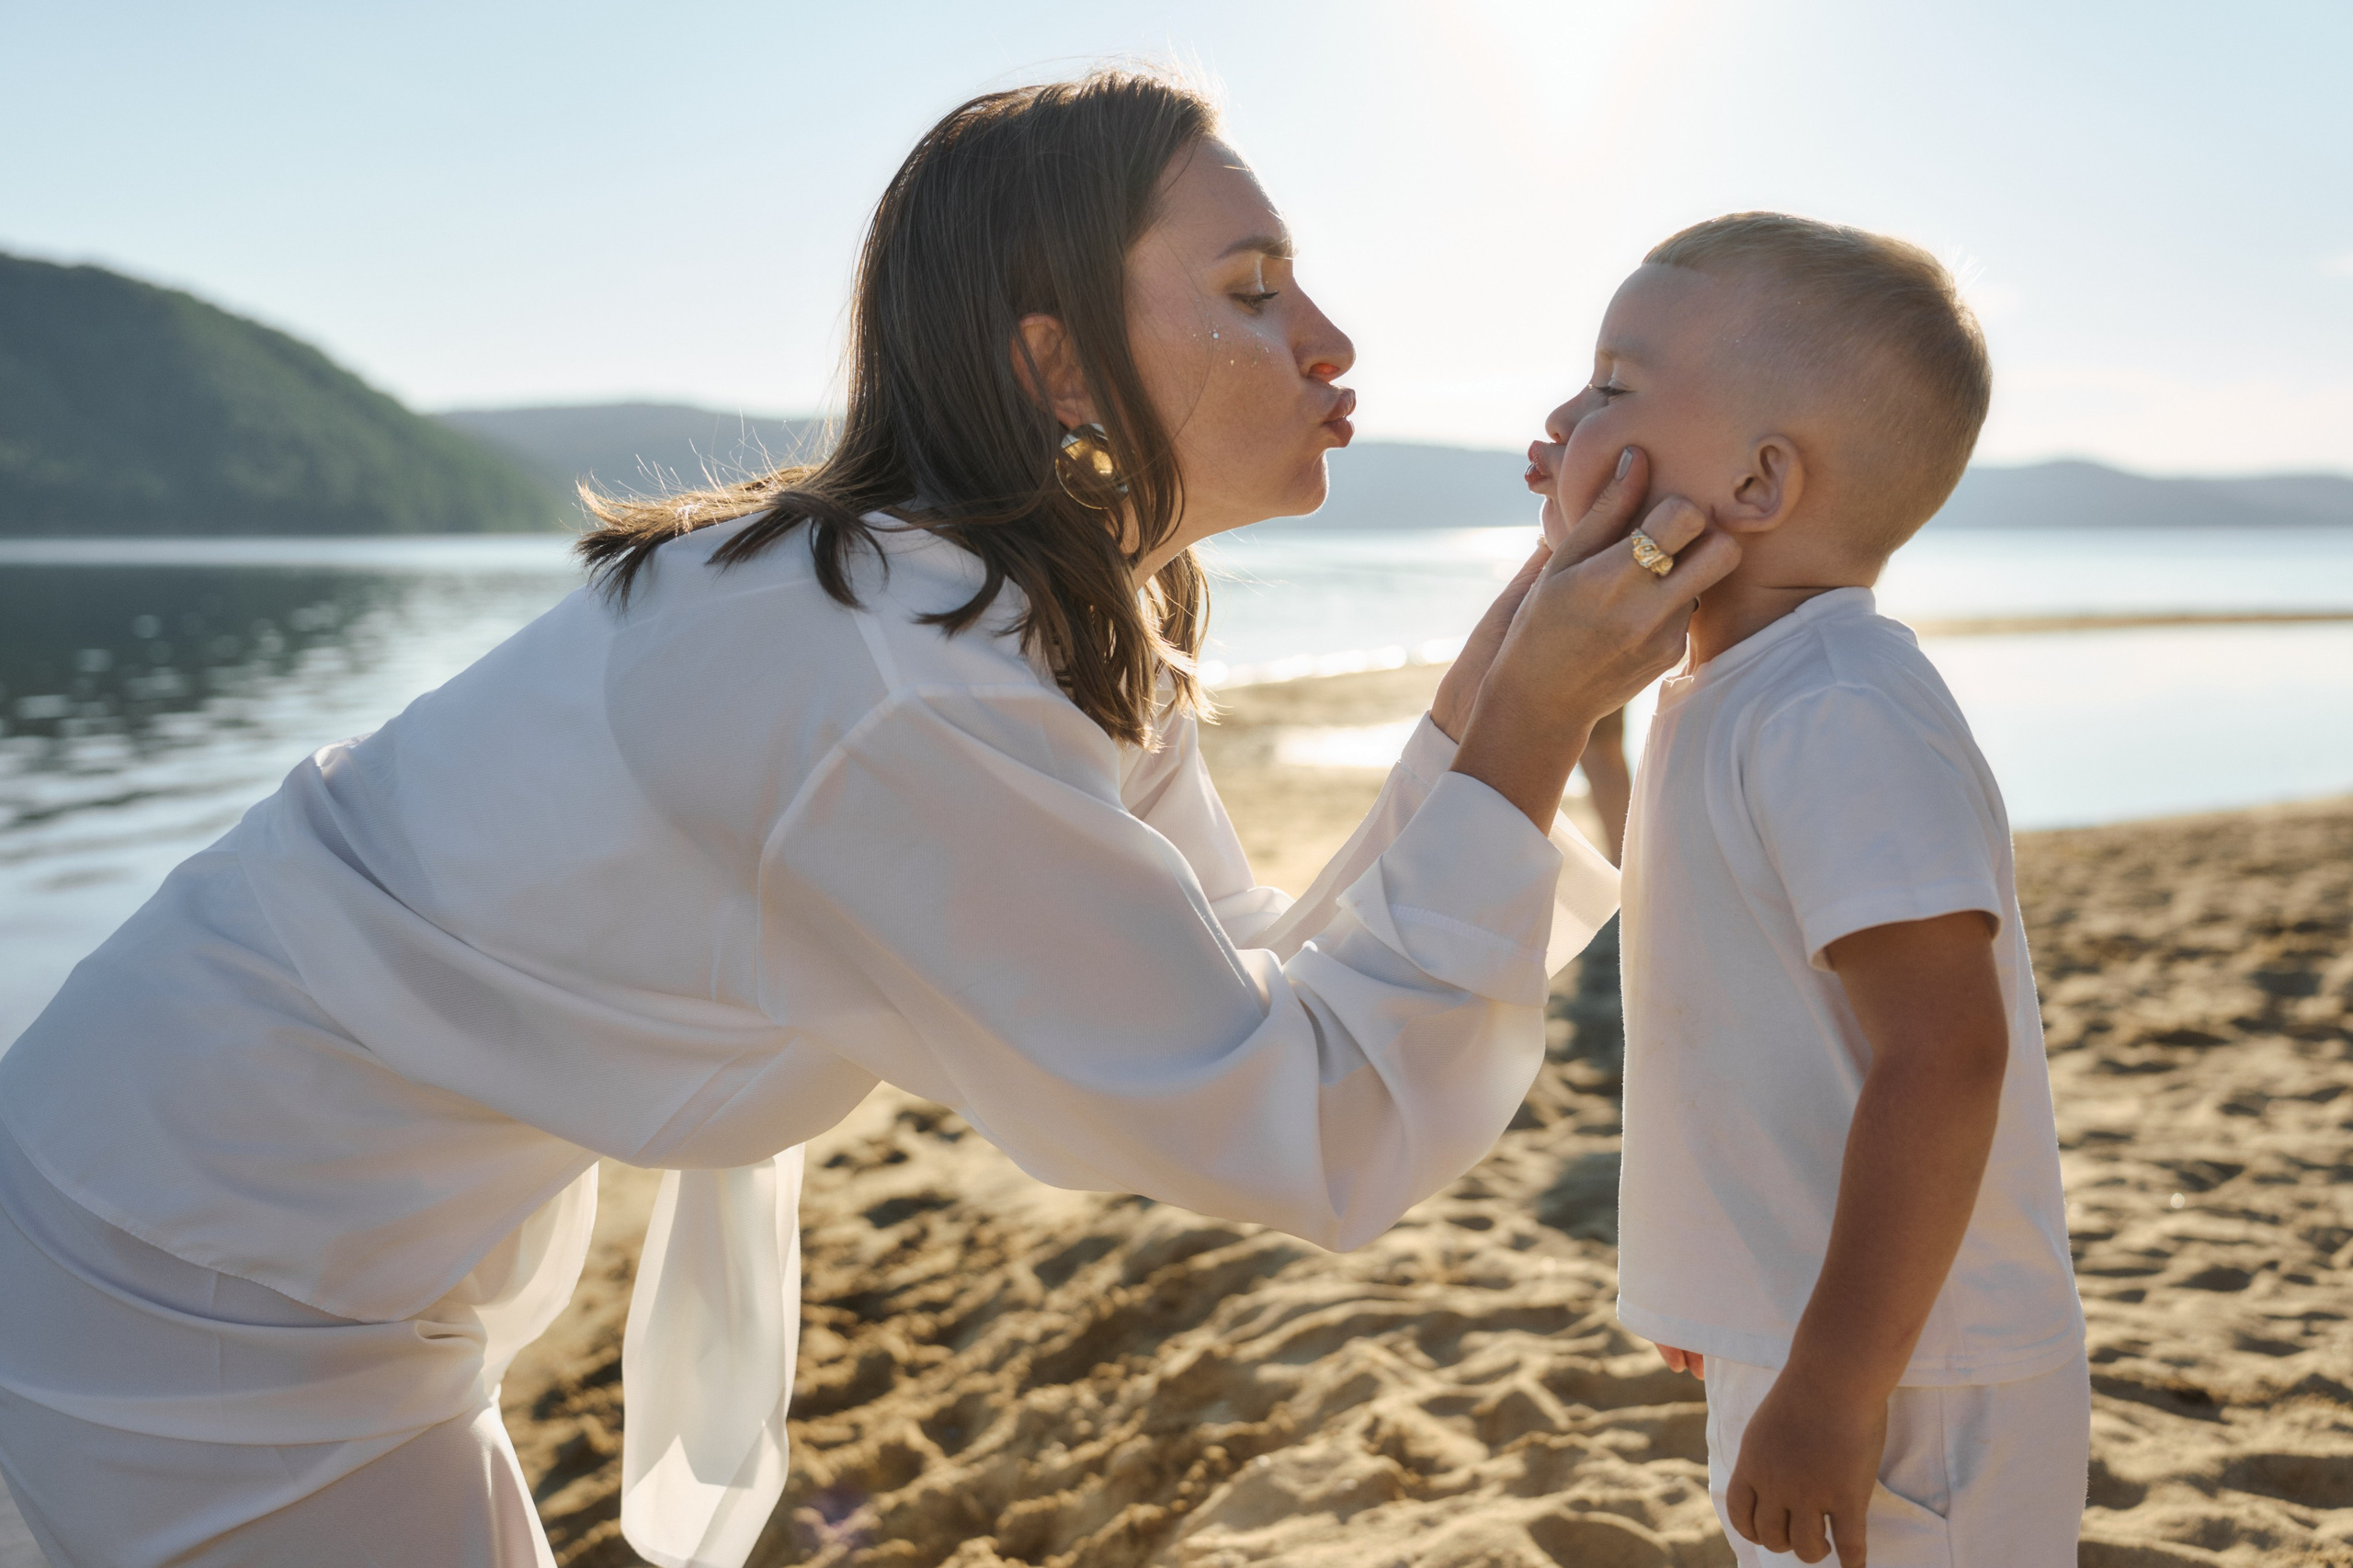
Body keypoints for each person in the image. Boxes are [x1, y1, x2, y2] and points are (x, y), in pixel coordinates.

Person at [0, 73, 1737, 1568]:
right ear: (1055, 359)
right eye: (1252, 282)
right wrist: (1528, 720)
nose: (1331, 337)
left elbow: (1237, 964)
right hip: (197, 1259)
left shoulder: (1000, 609)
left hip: (226, 1186)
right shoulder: (896, 676)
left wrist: (1519, 657)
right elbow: (1291, 1125)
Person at [1526, 213, 2087, 1566]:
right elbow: (1735, 1005)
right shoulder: (1718, 692)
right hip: (1808, 1328)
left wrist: (1835, 1384)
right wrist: (1714, 1264)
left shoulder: (1838, 710)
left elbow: (1945, 1054)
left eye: (1613, 386)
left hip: (1912, 1375)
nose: (1563, 410)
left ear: (1763, 483)